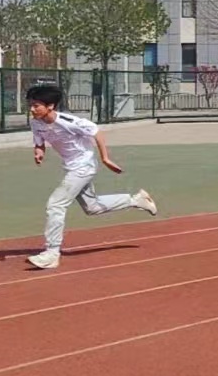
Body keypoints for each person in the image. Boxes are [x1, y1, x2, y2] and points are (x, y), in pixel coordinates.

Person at [25, 83, 158, 270]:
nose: (32, 109)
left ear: (50, 106)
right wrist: (39, 152)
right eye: (30, 105)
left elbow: (96, 132)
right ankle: (136, 200)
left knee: (56, 204)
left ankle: (52, 253)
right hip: (71, 167)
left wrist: (105, 158)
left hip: (83, 167)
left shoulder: (68, 121)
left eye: (36, 105)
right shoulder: (36, 122)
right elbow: (39, 141)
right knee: (92, 207)